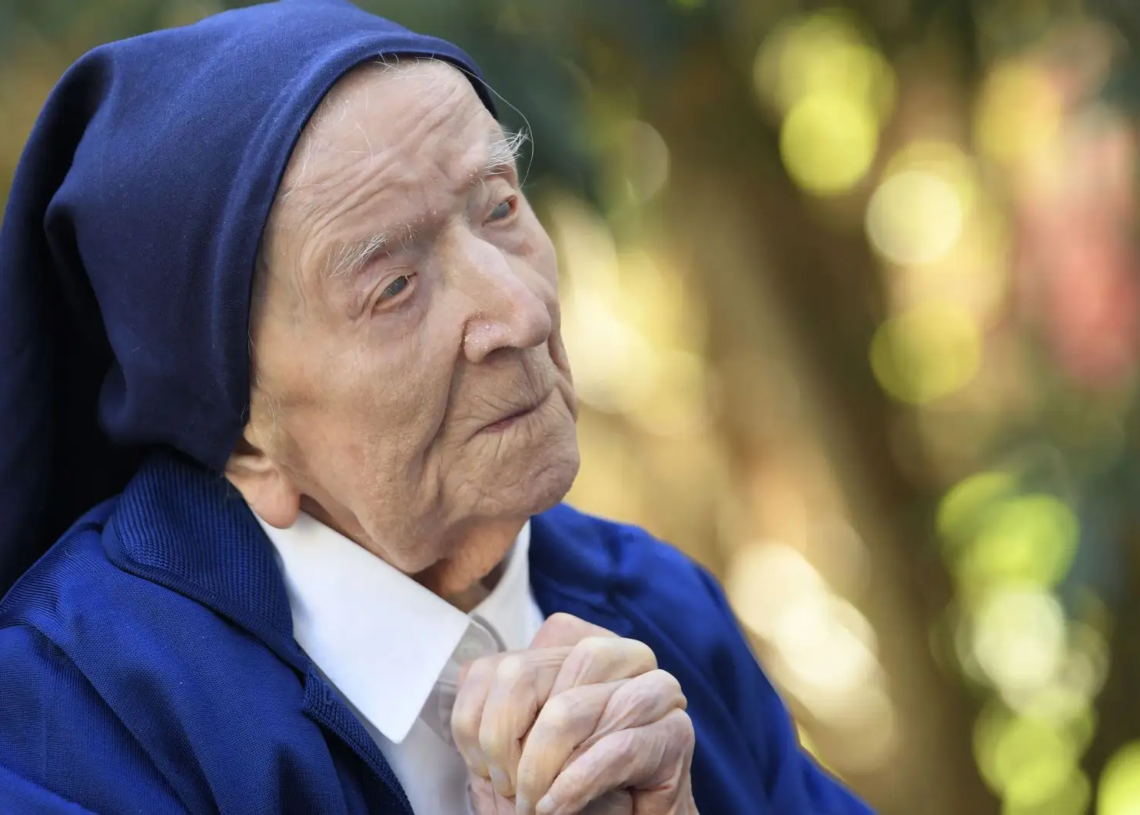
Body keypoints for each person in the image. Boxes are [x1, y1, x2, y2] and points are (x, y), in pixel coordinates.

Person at [0, 1, 876, 813]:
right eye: (395, 285)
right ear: (243, 438)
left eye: (499, 208)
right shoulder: (69, 722)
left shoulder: (655, 604)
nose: (522, 314)